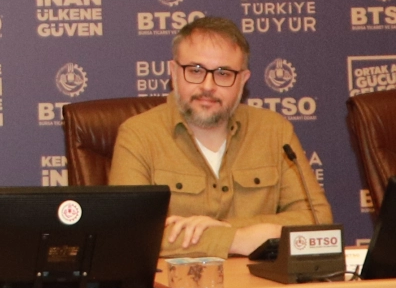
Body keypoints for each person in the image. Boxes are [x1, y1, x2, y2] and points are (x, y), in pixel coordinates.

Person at [110, 15, 332, 257]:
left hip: (259, 280)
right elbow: (130, 232)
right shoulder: (138, 134)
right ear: (173, 72)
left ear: (242, 80)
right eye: (195, 71)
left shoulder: (274, 130)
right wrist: (239, 240)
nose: (208, 86)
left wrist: (226, 228)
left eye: (223, 73)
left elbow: (318, 220)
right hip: (181, 280)